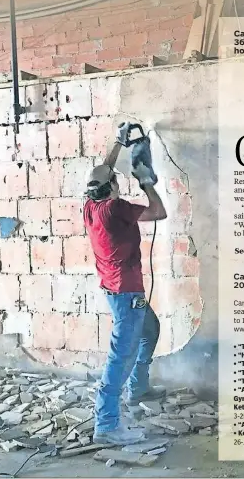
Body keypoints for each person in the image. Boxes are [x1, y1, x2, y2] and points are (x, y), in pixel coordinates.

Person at [83, 124, 167, 446]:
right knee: (120, 357)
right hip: (127, 294)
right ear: (113, 187)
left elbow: (102, 173)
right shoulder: (117, 210)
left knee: (150, 331)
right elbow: (159, 211)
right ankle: (106, 424)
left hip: (115, 290)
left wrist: (118, 144)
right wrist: (146, 181)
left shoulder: (91, 206)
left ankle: (139, 388)